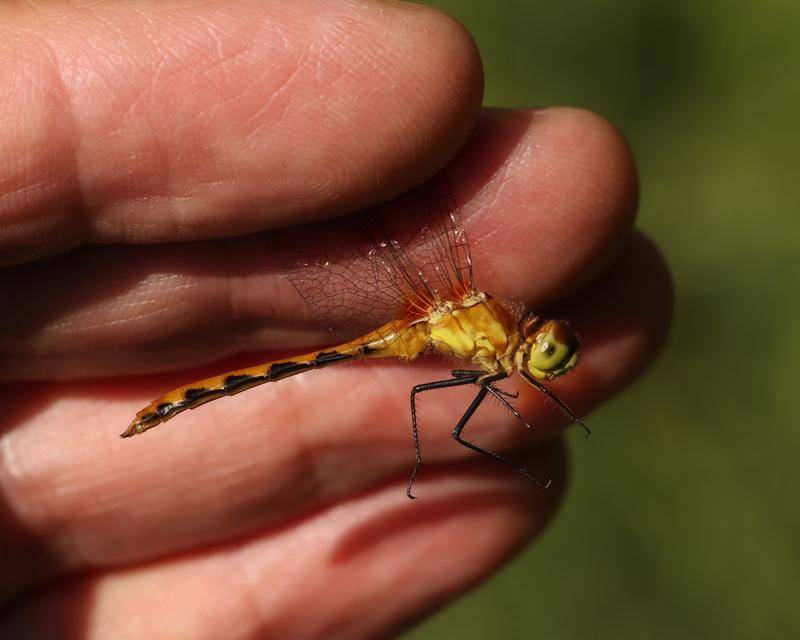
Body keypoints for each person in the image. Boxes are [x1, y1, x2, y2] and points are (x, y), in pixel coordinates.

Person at [0, 1, 671, 637]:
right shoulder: (487, 330)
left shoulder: (498, 344)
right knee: (444, 412)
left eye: (551, 355)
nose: (551, 357)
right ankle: (173, 406)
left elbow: (493, 382)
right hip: (412, 325)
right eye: (553, 353)